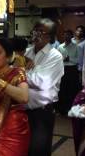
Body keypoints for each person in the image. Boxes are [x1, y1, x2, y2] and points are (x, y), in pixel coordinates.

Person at [24, 18, 64, 156]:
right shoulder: (26, 52)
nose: (37, 35)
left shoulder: (55, 56)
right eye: (36, 30)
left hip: (41, 112)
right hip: (22, 110)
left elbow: (42, 83)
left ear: (50, 36)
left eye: (42, 32)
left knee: (38, 150)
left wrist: (22, 71)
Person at [57, 30, 80, 115]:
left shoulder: (76, 46)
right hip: (63, 69)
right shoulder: (60, 47)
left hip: (72, 70)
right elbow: (57, 59)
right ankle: (62, 109)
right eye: (65, 35)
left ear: (71, 36)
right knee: (62, 89)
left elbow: (78, 60)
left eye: (68, 35)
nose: (66, 37)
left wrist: (69, 59)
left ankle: (70, 108)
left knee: (72, 90)